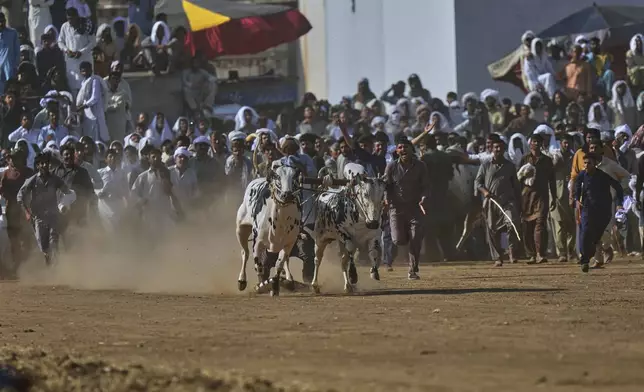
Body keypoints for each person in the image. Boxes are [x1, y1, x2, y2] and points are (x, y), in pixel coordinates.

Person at [17, 152, 74, 266]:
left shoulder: (55, 180)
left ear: (49, 165)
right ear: (38, 165)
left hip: (53, 215)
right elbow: (20, 196)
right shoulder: (32, 180)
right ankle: (48, 261)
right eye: (41, 163)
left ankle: (56, 268)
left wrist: (66, 203)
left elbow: (68, 192)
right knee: (43, 245)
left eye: (46, 163)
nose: (44, 165)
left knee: (53, 240)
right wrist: (26, 212)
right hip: (38, 217)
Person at [383, 135, 429, 279]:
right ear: (397, 151)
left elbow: (426, 186)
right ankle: (407, 237)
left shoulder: (421, 166)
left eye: (406, 147)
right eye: (400, 147)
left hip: (414, 208)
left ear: (411, 149)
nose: (403, 150)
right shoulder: (391, 166)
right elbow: (386, 186)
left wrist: (424, 198)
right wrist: (386, 199)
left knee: (416, 237)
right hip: (396, 209)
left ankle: (412, 270)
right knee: (398, 240)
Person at [475, 139, 521, 266]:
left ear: (504, 149)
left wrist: (519, 202)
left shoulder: (510, 166)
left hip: (508, 201)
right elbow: (477, 182)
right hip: (491, 202)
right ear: (492, 149)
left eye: (500, 147)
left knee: (512, 223)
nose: (498, 150)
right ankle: (497, 257)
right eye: (496, 147)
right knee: (491, 229)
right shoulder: (485, 165)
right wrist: (484, 192)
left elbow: (516, 186)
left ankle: (512, 253)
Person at [574, 153, 623, 273]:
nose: (586, 165)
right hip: (587, 208)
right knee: (585, 232)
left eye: (589, 163)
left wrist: (619, 203)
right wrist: (577, 200)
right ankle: (585, 260)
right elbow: (577, 186)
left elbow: (618, 187)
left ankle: (587, 256)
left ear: (595, 164)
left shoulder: (602, 176)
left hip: (602, 210)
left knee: (595, 238)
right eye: (584, 163)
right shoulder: (582, 174)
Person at [518, 134, 556, 264]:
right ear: (530, 144)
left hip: (542, 196)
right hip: (526, 196)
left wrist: (554, 197)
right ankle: (531, 254)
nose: (536, 144)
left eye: (539, 142)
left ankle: (540, 253)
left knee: (540, 224)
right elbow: (518, 178)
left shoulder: (547, 160)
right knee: (527, 226)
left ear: (542, 144)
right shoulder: (524, 159)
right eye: (534, 142)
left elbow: (552, 180)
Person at [51, 143, 95, 248]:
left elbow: (90, 191)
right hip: (59, 212)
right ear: (61, 156)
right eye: (66, 154)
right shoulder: (55, 173)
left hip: (77, 212)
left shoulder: (82, 172)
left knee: (75, 242)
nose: (68, 157)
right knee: (57, 242)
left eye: (71, 154)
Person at [0, 149, 35, 273]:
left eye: (16, 158)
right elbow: (2, 189)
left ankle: (29, 264)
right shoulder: (6, 173)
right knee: (14, 239)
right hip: (11, 209)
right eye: (11, 158)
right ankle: (18, 265)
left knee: (27, 237)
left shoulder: (29, 172)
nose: (13, 160)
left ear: (21, 159)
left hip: (26, 208)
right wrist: (10, 197)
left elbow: (35, 187)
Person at [550, 133, 576, 262]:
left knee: (571, 223)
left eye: (568, 143)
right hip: (556, 194)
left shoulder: (575, 157)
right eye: (564, 142)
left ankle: (571, 250)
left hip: (572, 193)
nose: (566, 145)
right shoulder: (554, 156)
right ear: (560, 143)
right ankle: (561, 252)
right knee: (559, 224)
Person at [57, 7, 95, 95]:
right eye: (68, 18)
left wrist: (81, 52)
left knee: (86, 87)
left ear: (77, 17)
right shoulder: (65, 26)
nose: (70, 21)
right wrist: (66, 50)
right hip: (71, 62)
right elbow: (60, 41)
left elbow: (93, 42)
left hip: (84, 60)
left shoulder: (86, 25)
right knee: (72, 87)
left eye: (72, 18)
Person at [96, 147, 128, 232]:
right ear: (106, 160)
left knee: (118, 230)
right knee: (107, 230)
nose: (112, 159)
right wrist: (99, 193)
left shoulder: (122, 173)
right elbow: (94, 187)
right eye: (110, 157)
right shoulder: (100, 172)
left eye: (114, 157)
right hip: (104, 206)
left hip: (118, 205)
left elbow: (126, 189)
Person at [76, 61, 109, 142]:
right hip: (87, 115)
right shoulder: (83, 82)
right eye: (83, 71)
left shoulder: (95, 80)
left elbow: (95, 98)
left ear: (91, 70)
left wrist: (83, 106)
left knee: (97, 138)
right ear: (80, 72)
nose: (85, 72)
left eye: (87, 70)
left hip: (96, 114)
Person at [104, 61, 131, 143]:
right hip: (106, 122)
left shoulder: (122, 93)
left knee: (117, 143)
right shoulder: (103, 83)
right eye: (116, 68)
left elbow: (127, 103)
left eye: (117, 80)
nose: (115, 82)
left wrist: (104, 107)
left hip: (118, 122)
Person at [169, 146, 199, 212]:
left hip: (187, 209)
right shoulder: (169, 171)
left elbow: (195, 191)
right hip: (171, 210)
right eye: (180, 157)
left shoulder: (192, 173)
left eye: (185, 158)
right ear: (175, 159)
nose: (182, 159)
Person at [0, 12, 20, 93]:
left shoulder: (13, 33)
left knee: (10, 89)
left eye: (3, 21)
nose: (1, 23)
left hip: (10, 66)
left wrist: (16, 65)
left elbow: (17, 50)